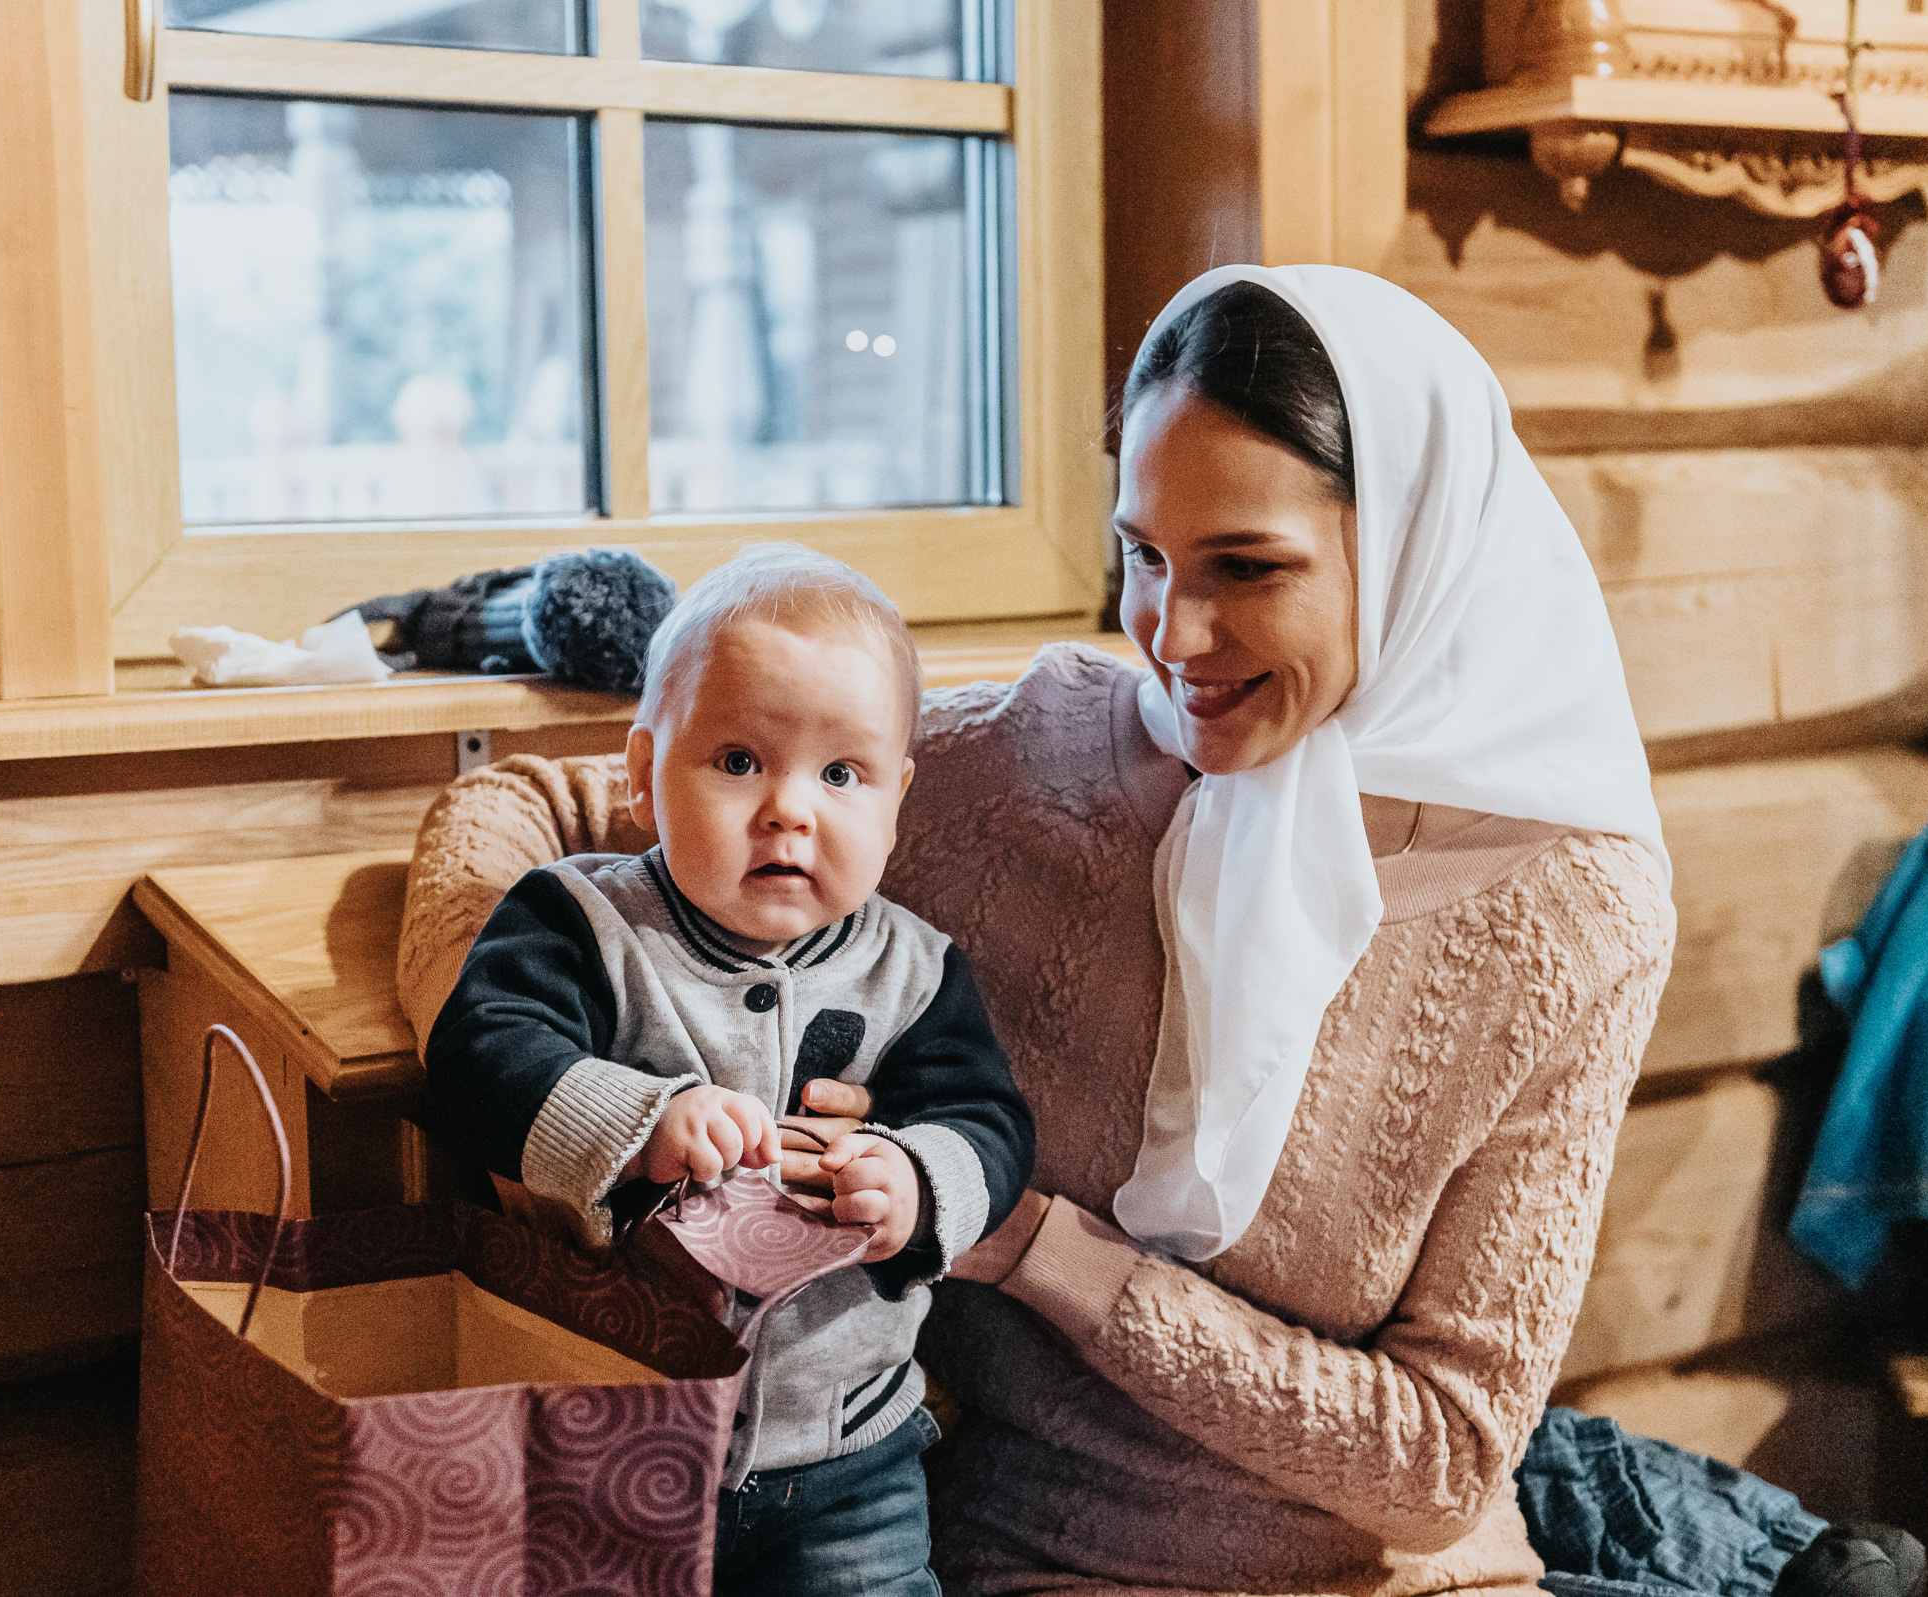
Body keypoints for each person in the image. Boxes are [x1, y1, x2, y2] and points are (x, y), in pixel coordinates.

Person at [779, 265, 1679, 1595]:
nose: (1172, 634)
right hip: (1039, 1558)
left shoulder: (1572, 908)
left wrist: (1038, 1248)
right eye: (1145, 555)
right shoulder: (1011, 768)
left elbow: (1442, 1461)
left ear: (1420, 547)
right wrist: (569, 1105)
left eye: (1247, 568)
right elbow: (546, 809)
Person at [419, 543, 1035, 1597]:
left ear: (896, 800)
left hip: (850, 1451)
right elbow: (477, 1058)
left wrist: (919, 1179)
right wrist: (641, 1118)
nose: (791, 809)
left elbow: (991, 1121)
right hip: (612, 1437)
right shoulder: (582, 918)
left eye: (843, 775)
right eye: (740, 760)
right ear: (642, 774)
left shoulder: (917, 969)